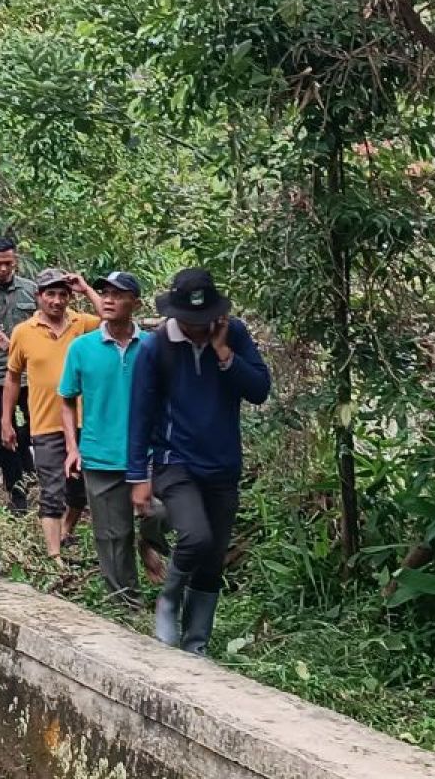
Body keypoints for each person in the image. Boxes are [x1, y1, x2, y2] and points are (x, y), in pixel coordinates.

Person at [128, 268, 270, 656]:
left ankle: (195, 645)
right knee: (194, 536)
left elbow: (259, 390)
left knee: (212, 558)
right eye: (188, 321)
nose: (195, 328)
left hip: (223, 464)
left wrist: (225, 354)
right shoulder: (156, 347)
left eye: (202, 320)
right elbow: (140, 414)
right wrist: (138, 476)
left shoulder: (234, 335)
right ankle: (168, 599)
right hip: (176, 461)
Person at [59, 271, 167, 607]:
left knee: (165, 512)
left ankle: (149, 541)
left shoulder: (152, 346)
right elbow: (66, 398)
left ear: (134, 303)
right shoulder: (82, 347)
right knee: (111, 535)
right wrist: (72, 448)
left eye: (118, 295)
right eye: (104, 292)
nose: (108, 299)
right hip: (100, 452)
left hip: (151, 454)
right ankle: (126, 603)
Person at [1, 268, 102, 560]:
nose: (57, 301)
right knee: (51, 490)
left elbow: (111, 320)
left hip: (84, 422)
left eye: (62, 294)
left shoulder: (80, 324)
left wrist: (85, 289)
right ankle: (54, 555)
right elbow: (12, 377)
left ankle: (66, 530)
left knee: (79, 490)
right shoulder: (23, 332)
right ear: (39, 297)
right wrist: (6, 420)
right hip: (45, 423)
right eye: (50, 294)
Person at [0, 237, 37, 513]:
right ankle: (16, 493)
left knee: (36, 429)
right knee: (0, 435)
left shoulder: (31, 292)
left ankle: (29, 467)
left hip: (29, 377)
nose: (3, 269)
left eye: (9, 263)